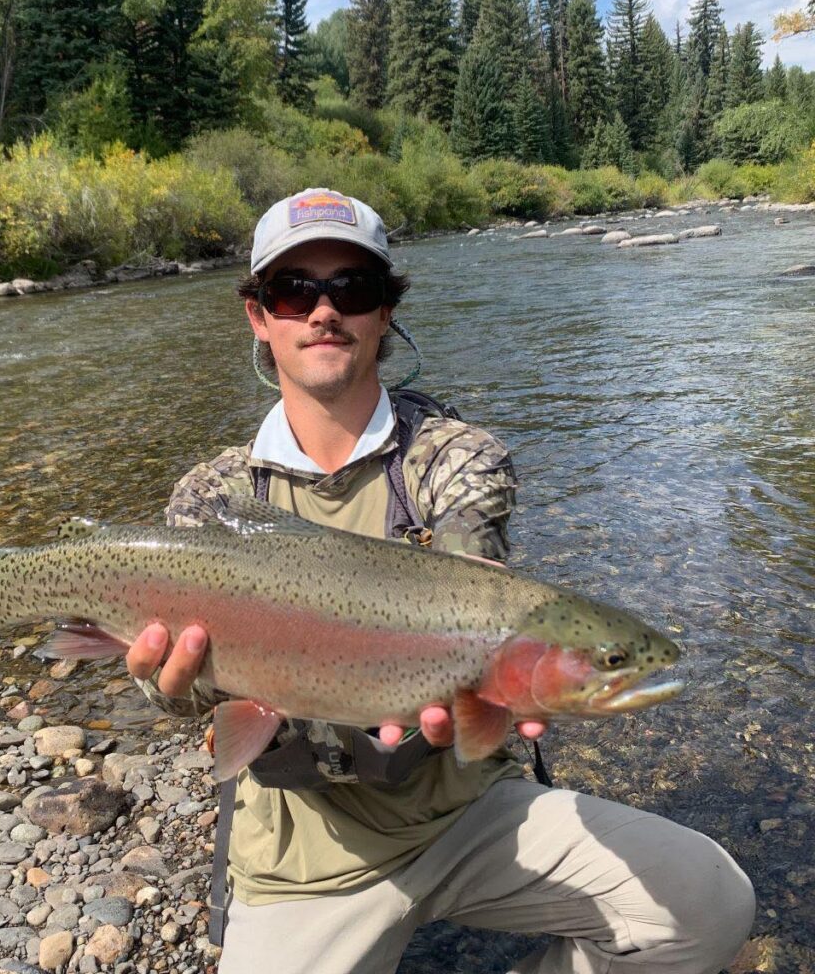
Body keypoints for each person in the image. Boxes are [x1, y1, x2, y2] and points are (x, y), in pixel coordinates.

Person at [124, 189, 755, 973]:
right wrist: (167, 685)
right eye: (294, 291)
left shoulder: (457, 456)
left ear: (385, 311)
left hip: (466, 812)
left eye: (353, 288)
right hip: (304, 851)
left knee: (707, 903)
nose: (325, 311)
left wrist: (494, 663)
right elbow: (185, 699)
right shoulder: (213, 499)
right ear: (259, 315)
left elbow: (474, 570)